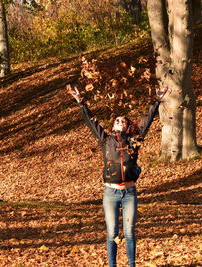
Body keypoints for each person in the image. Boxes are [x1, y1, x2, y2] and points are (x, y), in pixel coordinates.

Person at [66, 83, 168, 267]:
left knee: (129, 232)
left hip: (129, 193)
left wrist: (157, 100)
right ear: (113, 126)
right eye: (117, 121)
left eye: (123, 121)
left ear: (128, 126)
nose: (120, 122)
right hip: (110, 194)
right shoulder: (105, 140)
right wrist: (80, 101)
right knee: (112, 233)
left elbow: (146, 121)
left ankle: (131, 265)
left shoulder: (134, 141)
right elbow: (91, 121)